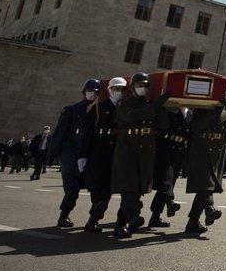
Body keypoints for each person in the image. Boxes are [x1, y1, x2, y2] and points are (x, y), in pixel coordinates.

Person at [112, 72, 168, 239]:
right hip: (127, 150)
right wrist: (155, 107)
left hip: (145, 152)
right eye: (139, 86)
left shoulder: (151, 105)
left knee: (135, 189)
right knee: (129, 186)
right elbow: (131, 116)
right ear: (132, 88)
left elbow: (164, 125)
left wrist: (162, 108)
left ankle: (120, 225)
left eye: (145, 86)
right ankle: (134, 217)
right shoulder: (124, 103)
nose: (143, 89)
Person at [183, 95, 226, 234]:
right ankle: (210, 208)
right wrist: (214, 111)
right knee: (207, 185)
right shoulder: (202, 108)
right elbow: (195, 126)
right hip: (201, 150)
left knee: (206, 187)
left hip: (217, 153)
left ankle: (192, 223)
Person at [48, 79, 99, 227]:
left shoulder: (98, 111)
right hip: (70, 151)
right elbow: (59, 133)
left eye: (95, 92)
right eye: (89, 91)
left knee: (93, 187)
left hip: (86, 153)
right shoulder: (72, 110)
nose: (92, 94)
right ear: (84, 92)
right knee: (72, 188)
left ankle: (93, 220)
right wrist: (52, 154)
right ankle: (63, 216)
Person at [81, 77, 122, 233]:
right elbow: (87, 133)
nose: (119, 92)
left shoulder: (123, 108)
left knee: (108, 187)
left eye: (122, 90)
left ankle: (96, 216)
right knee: (97, 185)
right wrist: (82, 155)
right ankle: (93, 218)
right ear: (110, 90)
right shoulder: (97, 108)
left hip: (115, 152)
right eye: (117, 89)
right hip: (98, 151)